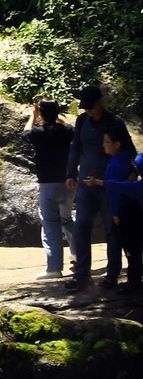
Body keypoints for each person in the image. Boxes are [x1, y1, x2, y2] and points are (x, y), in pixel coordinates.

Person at [66, 85, 137, 290]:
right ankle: (81, 275)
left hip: (108, 185)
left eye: (92, 106)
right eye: (85, 107)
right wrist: (70, 172)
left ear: (101, 101)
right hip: (85, 183)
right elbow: (75, 147)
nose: (89, 110)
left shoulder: (115, 122)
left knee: (111, 229)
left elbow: (129, 150)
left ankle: (112, 275)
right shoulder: (82, 121)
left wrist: (132, 171)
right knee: (81, 226)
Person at [25, 98, 74, 278]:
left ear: (41, 114)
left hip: (48, 184)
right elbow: (72, 129)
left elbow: (25, 133)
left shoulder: (39, 132)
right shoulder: (67, 130)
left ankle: (54, 268)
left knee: (50, 224)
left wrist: (33, 115)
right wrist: (58, 117)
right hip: (68, 183)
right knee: (67, 219)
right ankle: (78, 257)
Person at [95, 123, 143, 293]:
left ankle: (133, 282)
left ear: (117, 144)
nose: (103, 145)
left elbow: (115, 190)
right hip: (133, 209)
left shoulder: (115, 164)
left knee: (130, 248)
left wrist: (115, 213)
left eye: (106, 142)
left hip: (124, 211)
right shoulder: (127, 160)